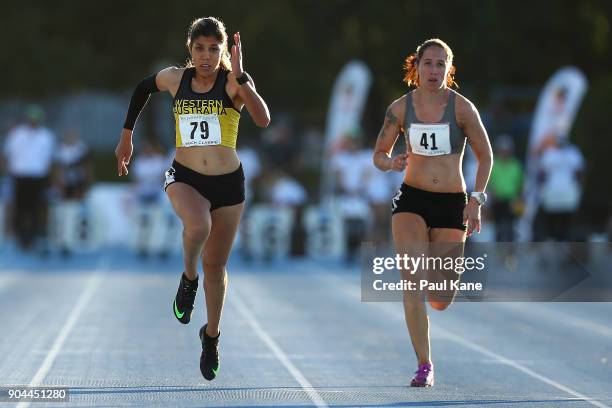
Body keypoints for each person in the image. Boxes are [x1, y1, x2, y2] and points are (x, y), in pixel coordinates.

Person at [114, 17, 270, 381]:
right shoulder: (174, 78)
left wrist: (244, 77)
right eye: (199, 48)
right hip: (184, 176)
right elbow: (141, 88)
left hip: (228, 185)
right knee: (198, 225)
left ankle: (211, 337)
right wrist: (127, 136)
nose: (206, 56)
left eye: (214, 49)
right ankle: (188, 278)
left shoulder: (234, 83)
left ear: (223, 53)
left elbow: (262, 119)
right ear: (190, 49)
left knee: (217, 267)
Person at [372, 39, 492, 387]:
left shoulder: (462, 109)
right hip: (412, 201)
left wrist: (476, 199)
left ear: (449, 70)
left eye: (441, 64)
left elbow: (486, 156)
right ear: (417, 67)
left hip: (452, 203)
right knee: (412, 282)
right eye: (428, 63)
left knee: (440, 297)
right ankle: (424, 364)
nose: (434, 70)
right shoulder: (399, 108)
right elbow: (378, 153)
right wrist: (390, 163)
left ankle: (431, 294)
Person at [3, 105, 56, 251]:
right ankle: (20, 236)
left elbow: (51, 160)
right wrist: (6, 174)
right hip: (19, 176)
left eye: (36, 119)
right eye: (31, 119)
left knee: (36, 207)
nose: (34, 122)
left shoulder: (47, 136)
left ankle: (34, 235)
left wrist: (51, 179)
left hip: (38, 177)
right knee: (20, 207)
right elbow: (6, 156)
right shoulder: (16, 134)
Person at [489, 135, 523, 241]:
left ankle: (510, 252)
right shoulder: (493, 165)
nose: (504, 152)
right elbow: (489, 182)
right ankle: (499, 251)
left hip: (512, 201)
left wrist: (518, 197)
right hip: (497, 200)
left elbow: (520, 183)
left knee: (511, 227)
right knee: (498, 227)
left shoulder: (515, 165)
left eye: (506, 150)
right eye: (502, 150)